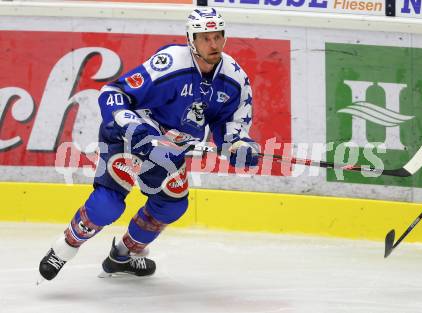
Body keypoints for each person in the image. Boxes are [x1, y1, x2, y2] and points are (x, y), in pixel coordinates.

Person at [38, 7, 260, 281]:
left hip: (168, 151)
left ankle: (123, 255)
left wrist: (238, 145)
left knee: (172, 206)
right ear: (191, 39)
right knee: (107, 205)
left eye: (218, 36)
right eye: (205, 38)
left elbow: (230, 127)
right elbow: (113, 93)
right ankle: (64, 248)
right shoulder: (171, 63)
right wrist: (136, 129)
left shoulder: (235, 79)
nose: (213, 44)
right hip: (128, 139)